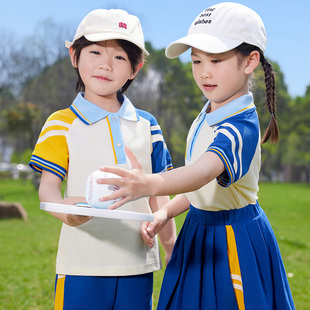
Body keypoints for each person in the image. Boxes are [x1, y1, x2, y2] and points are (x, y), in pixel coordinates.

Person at [98, 3, 295, 309]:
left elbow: (203, 172)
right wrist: (166, 212)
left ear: (250, 61)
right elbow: (202, 189)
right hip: (199, 231)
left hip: (232, 239)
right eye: (196, 60)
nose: (204, 72)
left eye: (216, 60)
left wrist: (149, 183)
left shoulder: (240, 125)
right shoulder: (208, 112)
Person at [29, 9, 176, 310]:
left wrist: (171, 245)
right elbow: (48, 190)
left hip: (138, 263)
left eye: (119, 57)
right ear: (74, 55)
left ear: (135, 68)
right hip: (80, 263)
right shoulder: (61, 123)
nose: (105, 65)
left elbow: (159, 193)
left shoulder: (149, 125)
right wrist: (66, 210)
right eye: (95, 51)